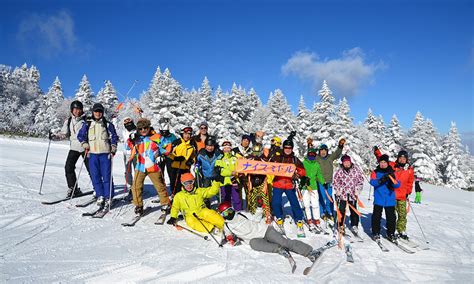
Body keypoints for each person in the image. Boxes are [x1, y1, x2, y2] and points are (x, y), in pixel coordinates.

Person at [218, 201, 322, 262]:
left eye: (230, 211)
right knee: (253, 245)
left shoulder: (241, 215)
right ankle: (279, 249)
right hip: (253, 239)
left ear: (233, 209)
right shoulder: (227, 225)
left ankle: (309, 252)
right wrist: (230, 239)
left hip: (264, 230)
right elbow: (227, 236)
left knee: (284, 242)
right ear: (222, 215)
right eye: (225, 213)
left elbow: (255, 218)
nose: (229, 214)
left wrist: (259, 208)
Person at [77, 103, 119, 208]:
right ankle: (100, 195)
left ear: (102, 113)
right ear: (93, 112)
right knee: (95, 176)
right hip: (93, 154)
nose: (98, 113)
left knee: (106, 176)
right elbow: (80, 135)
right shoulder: (87, 124)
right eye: (96, 111)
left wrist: (113, 147)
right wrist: (84, 144)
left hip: (105, 154)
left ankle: (108, 196)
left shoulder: (108, 124)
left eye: (100, 111)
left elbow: (114, 136)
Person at [128, 118, 169, 215]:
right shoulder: (137, 138)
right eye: (140, 128)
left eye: (145, 128)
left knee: (160, 186)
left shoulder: (156, 137)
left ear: (149, 127)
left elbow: (167, 146)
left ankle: (165, 204)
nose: (143, 130)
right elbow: (127, 147)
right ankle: (138, 206)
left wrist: (161, 154)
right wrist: (130, 139)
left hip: (152, 166)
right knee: (135, 187)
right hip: (140, 166)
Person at [374, 147, 415, 240]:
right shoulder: (393, 165)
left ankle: (401, 230)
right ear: (398, 158)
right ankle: (393, 230)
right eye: (400, 157)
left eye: (404, 158)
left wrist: (408, 192)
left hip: (402, 196)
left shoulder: (409, 170)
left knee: (402, 214)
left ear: (406, 159)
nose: (402, 159)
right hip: (391, 194)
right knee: (392, 215)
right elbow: (382, 160)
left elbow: (410, 182)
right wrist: (377, 152)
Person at [270, 139, 306, 235]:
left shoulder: (294, 159)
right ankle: (279, 218)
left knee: (294, 203)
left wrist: (298, 174)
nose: (288, 149)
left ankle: (299, 221)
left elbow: (302, 170)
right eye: (286, 147)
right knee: (276, 202)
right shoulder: (278, 157)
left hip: (289, 184)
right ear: (283, 148)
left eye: (290, 148)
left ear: (292, 149)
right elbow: (269, 165)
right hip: (278, 183)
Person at [59, 100, 91, 198]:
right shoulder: (68, 121)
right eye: (75, 109)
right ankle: (73, 188)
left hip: (85, 148)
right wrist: (55, 136)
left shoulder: (86, 120)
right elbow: (64, 133)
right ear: (72, 110)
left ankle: (98, 188)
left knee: (91, 169)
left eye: (79, 109)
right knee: (68, 167)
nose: (77, 111)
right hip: (73, 148)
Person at [369, 154, 400, 241]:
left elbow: (398, 185)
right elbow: (372, 182)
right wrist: (381, 180)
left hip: (390, 199)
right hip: (379, 198)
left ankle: (390, 233)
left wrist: (393, 180)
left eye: (384, 162)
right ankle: (375, 232)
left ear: (387, 163)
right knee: (376, 217)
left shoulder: (392, 172)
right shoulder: (375, 172)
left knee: (391, 218)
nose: (382, 164)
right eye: (381, 162)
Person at [332, 155, 364, 235]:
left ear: (350, 162)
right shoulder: (340, 171)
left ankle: (354, 225)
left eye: (348, 162)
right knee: (341, 210)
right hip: (343, 194)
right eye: (345, 162)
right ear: (342, 163)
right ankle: (341, 225)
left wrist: (358, 188)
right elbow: (335, 181)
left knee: (353, 210)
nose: (347, 164)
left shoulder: (356, 170)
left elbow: (361, 180)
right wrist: (338, 189)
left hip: (353, 194)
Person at [314, 139, 345, 222]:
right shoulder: (317, 158)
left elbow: (337, 153)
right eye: (321, 151)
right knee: (322, 197)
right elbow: (310, 153)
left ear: (327, 151)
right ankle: (322, 212)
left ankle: (330, 212)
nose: (323, 152)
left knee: (330, 198)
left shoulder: (330, 157)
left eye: (325, 151)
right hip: (320, 182)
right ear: (319, 152)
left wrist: (340, 146)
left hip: (329, 182)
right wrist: (309, 145)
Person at [245, 144, 271, 222]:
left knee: (264, 198)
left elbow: (272, 164)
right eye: (255, 151)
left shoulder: (264, 159)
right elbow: (242, 165)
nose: (256, 154)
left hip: (262, 181)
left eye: (258, 152)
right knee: (252, 199)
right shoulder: (249, 158)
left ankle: (266, 214)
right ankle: (253, 214)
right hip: (252, 182)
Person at [301, 147, 325, 227]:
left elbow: (319, 175)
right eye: (310, 154)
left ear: (315, 155)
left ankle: (316, 218)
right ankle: (309, 218)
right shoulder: (304, 163)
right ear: (307, 154)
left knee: (315, 204)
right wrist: (303, 178)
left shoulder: (316, 164)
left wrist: (323, 182)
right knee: (306, 204)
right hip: (305, 186)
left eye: (313, 154)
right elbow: (300, 172)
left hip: (313, 187)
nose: (311, 156)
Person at [215, 141, 241, 211]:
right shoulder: (220, 158)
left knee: (236, 197)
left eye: (228, 148)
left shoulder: (235, 158)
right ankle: (227, 212)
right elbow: (219, 170)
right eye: (225, 148)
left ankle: (238, 211)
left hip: (234, 181)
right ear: (222, 149)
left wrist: (238, 173)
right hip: (224, 182)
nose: (227, 150)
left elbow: (239, 167)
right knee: (226, 198)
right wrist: (230, 172)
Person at [169, 126, 196, 196]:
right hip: (175, 166)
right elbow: (169, 153)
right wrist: (175, 158)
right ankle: (175, 197)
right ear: (182, 134)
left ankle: (184, 198)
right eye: (185, 134)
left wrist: (191, 161)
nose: (187, 136)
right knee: (175, 184)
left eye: (189, 134)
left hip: (185, 167)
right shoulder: (177, 142)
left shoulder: (192, 144)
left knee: (185, 183)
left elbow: (194, 155)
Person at [156, 118, 177, 188]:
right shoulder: (158, 136)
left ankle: (173, 188)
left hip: (169, 156)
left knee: (171, 173)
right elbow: (154, 146)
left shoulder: (172, 136)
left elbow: (176, 146)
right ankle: (162, 190)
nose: (164, 133)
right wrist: (157, 155)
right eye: (162, 131)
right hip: (160, 157)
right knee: (160, 174)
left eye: (165, 131)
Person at [122, 117, 137, 200]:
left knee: (137, 171)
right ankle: (130, 187)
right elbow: (114, 125)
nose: (128, 125)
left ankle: (137, 187)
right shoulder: (124, 131)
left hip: (135, 154)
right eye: (126, 124)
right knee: (127, 171)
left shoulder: (136, 130)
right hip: (126, 154)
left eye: (130, 123)